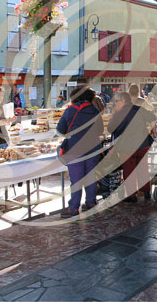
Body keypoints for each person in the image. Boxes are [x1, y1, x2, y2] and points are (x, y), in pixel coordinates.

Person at [57, 86, 103, 218]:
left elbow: (60, 131)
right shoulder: (94, 110)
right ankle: (91, 203)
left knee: (76, 179)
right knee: (90, 177)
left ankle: (73, 208)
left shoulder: (70, 110)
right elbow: (100, 130)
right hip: (93, 148)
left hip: (75, 149)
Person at [107, 91, 157, 202]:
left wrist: (113, 115)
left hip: (127, 147)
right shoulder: (138, 109)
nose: (115, 104)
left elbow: (110, 129)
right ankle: (146, 191)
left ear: (123, 101)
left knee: (129, 170)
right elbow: (152, 116)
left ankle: (131, 195)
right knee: (143, 169)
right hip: (143, 144)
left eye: (117, 101)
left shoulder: (119, 113)